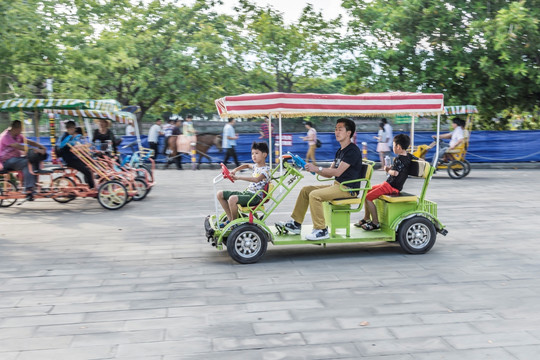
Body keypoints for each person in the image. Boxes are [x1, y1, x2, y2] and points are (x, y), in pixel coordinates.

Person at [278, 118, 364, 241]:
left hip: (348, 189)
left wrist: (317, 168)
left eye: (340, 129)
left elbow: (338, 172)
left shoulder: (352, 151)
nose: (336, 132)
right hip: (338, 186)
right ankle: (296, 224)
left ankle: (321, 230)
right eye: (335, 129)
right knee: (306, 190)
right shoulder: (340, 151)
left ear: (348, 133)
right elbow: (330, 173)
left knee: (314, 195)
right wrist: (313, 169)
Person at [355, 134, 412, 231]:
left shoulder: (399, 159)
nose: (393, 148)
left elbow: (395, 173)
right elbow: (419, 160)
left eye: (393, 146)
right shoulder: (409, 156)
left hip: (392, 187)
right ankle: (366, 218)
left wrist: (387, 170)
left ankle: (375, 222)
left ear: (398, 147)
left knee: (368, 197)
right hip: (390, 185)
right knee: (367, 191)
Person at [216, 142, 270, 226]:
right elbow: (247, 165)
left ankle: (234, 223)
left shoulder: (266, 170)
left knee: (232, 199)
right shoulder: (256, 166)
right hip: (247, 193)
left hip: (255, 197)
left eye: (256, 153)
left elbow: (256, 180)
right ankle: (230, 219)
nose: (254, 156)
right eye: (252, 153)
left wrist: (238, 178)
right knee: (220, 194)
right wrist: (235, 170)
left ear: (264, 155)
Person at [0, 120, 47, 197]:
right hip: (6, 161)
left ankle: (34, 184)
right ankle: (28, 188)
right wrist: (34, 149)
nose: (21, 131)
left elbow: (28, 141)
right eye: (21, 129)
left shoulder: (17, 135)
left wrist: (41, 146)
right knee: (26, 163)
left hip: (15, 159)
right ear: (16, 128)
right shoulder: (6, 136)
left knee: (33, 159)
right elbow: (19, 146)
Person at [58, 121, 95, 188]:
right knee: (87, 171)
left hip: (74, 158)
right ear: (68, 128)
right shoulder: (65, 137)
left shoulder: (71, 136)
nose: (74, 130)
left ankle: (89, 181)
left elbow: (75, 145)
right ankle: (92, 187)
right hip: (70, 160)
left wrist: (83, 147)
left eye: (74, 128)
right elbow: (65, 146)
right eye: (72, 128)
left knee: (90, 164)